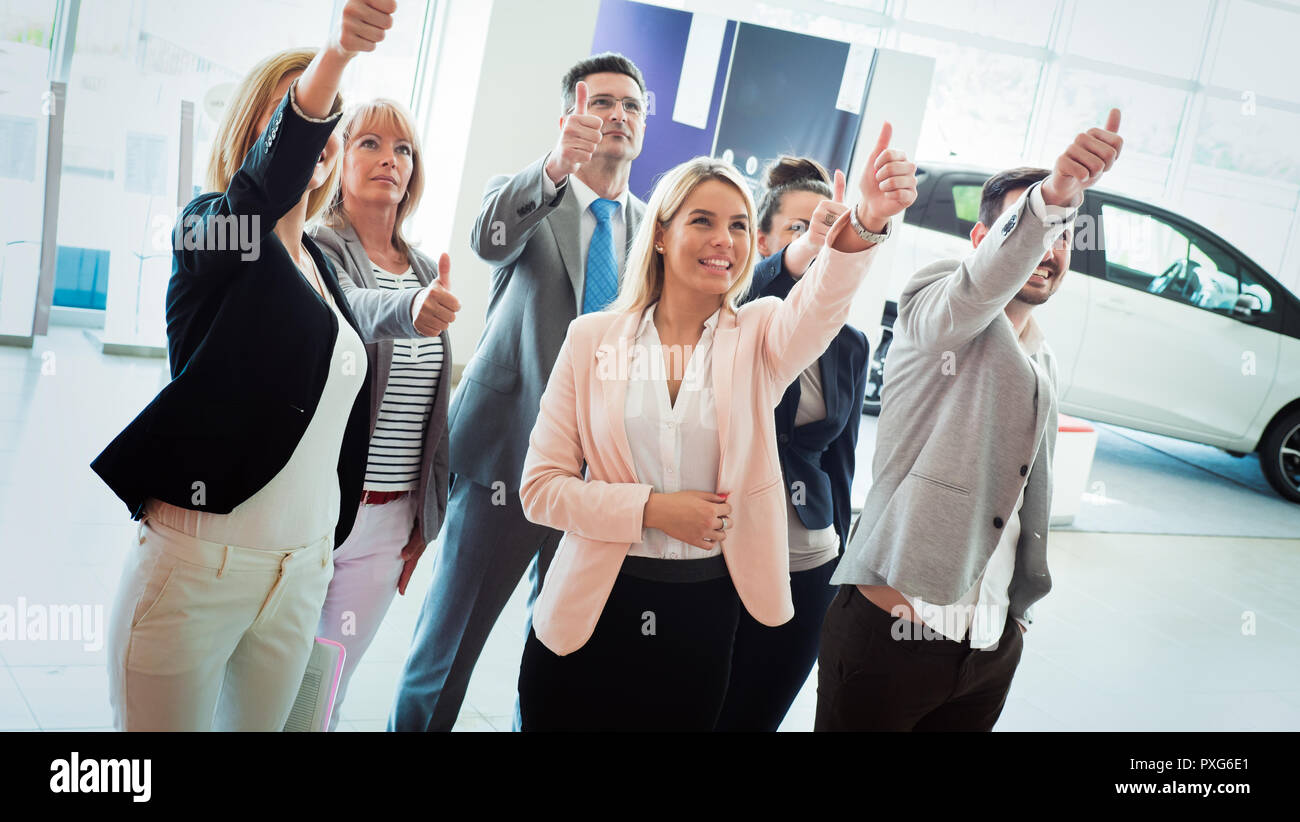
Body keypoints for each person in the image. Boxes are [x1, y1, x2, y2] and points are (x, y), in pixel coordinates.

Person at [515, 126, 916, 731]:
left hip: (700, 616)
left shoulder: (760, 335)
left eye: (736, 225)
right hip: (586, 611)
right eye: (702, 220)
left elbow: (824, 301)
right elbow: (541, 489)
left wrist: (865, 221)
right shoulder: (592, 339)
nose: (723, 241)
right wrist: (653, 509)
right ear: (661, 234)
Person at [91, 0, 400, 731]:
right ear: (264, 133)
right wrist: (332, 59)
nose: (320, 138)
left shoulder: (324, 263)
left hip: (298, 577)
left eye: (332, 126)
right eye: (302, 120)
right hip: (198, 570)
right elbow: (258, 196)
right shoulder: (210, 226)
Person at [817, 110, 1124, 732]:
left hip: (988, 646)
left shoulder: (1041, 352)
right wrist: (1053, 200)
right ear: (986, 241)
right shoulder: (934, 303)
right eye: (1042, 231)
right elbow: (971, 291)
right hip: (894, 628)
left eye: (1064, 236)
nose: (1050, 249)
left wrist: (1013, 621)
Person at [389, 53, 649, 732]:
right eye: (602, 102)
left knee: (562, 647)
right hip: (505, 457)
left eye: (631, 105)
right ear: (570, 117)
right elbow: (488, 239)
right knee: (449, 647)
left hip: (595, 476)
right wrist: (555, 169)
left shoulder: (650, 229)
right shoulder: (530, 195)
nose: (618, 114)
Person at [310, 97, 458, 730]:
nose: (389, 160)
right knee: (272, 673)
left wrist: (426, 514)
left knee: (326, 685)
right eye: (369, 143)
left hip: (390, 517)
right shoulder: (316, 248)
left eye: (402, 149)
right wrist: (409, 310)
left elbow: (436, 410)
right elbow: (346, 311)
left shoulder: (427, 269)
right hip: (316, 508)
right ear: (338, 158)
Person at [714, 157, 870, 731]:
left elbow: (841, 460)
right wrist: (802, 255)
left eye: (831, 229)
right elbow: (760, 285)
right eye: (799, 227)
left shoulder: (850, 343)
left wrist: (846, 566)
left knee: (759, 710)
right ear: (762, 241)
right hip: (718, 544)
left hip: (807, 552)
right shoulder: (724, 313)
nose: (819, 240)